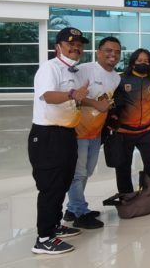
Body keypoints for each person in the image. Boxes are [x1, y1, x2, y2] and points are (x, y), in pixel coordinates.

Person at [29, 27, 90, 254]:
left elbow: (79, 98)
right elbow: (48, 95)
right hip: (47, 135)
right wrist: (73, 94)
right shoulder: (50, 68)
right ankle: (43, 238)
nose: (76, 47)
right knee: (51, 187)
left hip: (66, 133)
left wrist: (91, 102)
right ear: (59, 47)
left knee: (63, 182)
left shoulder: (74, 71)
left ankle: (54, 226)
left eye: (79, 44)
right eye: (70, 43)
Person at [64, 37, 121, 229]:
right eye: (108, 50)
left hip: (96, 132)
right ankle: (81, 212)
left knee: (86, 172)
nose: (112, 55)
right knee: (78, 173)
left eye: (117, 52)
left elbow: (107, 103)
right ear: (98, 51)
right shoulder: (84, 70)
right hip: (78, 130)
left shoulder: (116, 77)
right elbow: (71, 94)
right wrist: (96, 103)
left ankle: (72, 208)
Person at [111, 49, 150, 198]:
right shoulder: (121, 80)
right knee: (123, 167)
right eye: (139, 61)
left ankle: (149, 196)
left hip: (147, 130)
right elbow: (113, 103)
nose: (143, 63)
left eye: (146, 61)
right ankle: (126, 197)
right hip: (124, 131)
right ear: (133, 62)